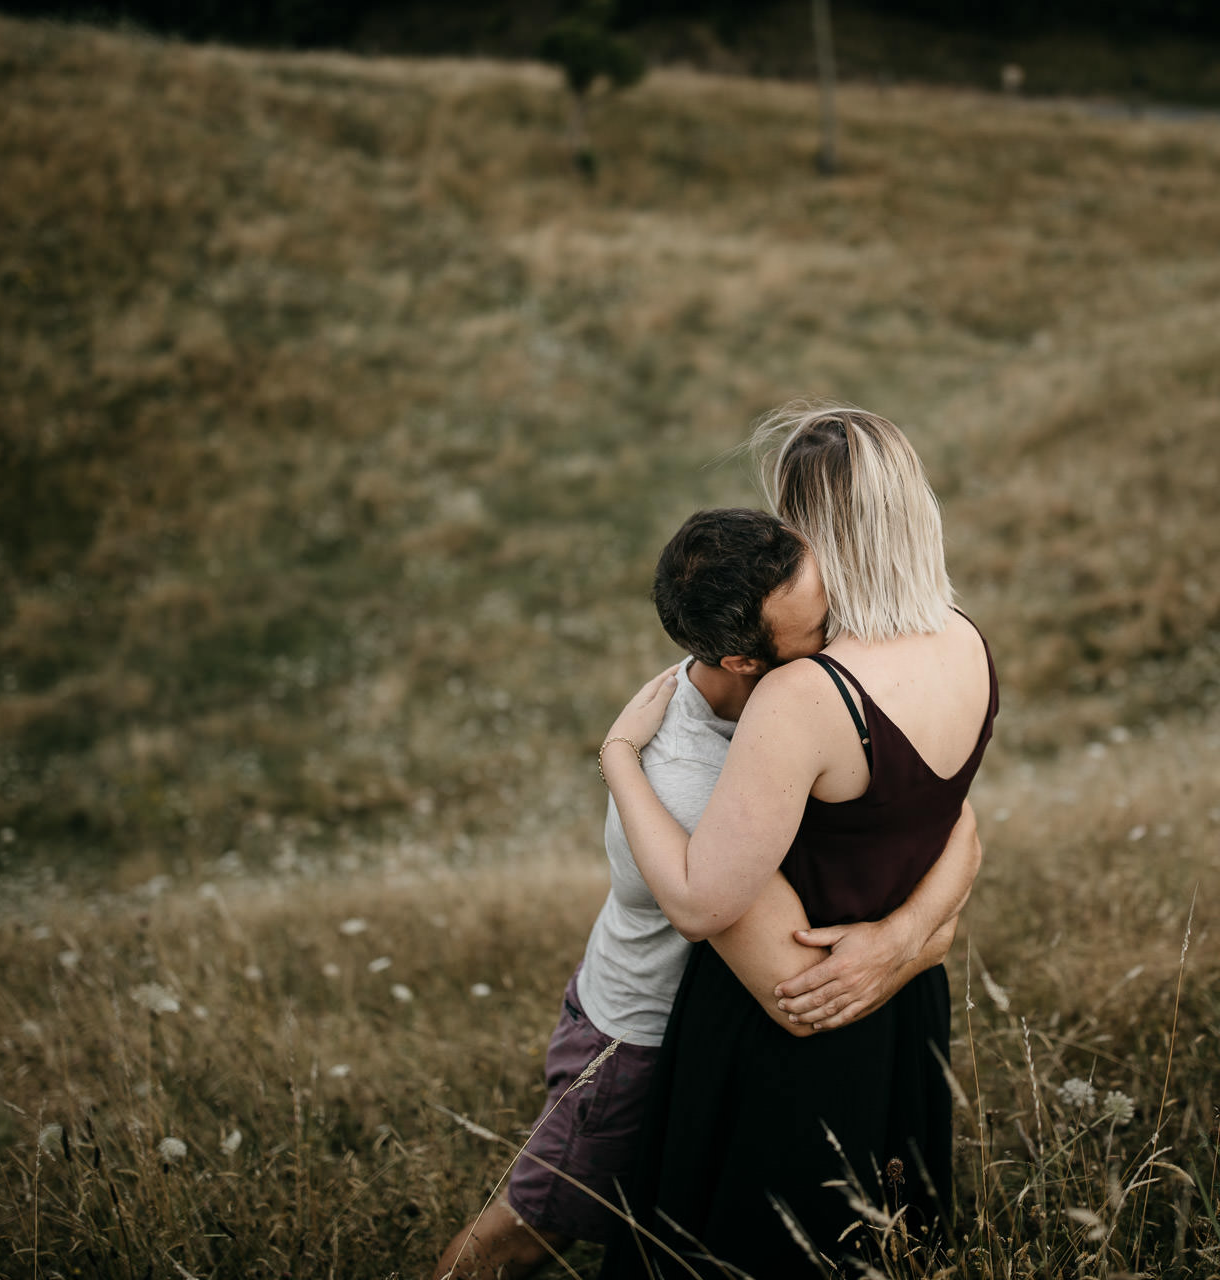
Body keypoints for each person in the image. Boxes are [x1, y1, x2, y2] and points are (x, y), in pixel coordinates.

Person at [427, 507, 981, 1280]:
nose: (844, 634)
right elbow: (795, 987)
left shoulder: (787, 705)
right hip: (636, 1042)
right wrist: (922, 943)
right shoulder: (692, 782)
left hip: (704, 1032)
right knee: (531, 1231)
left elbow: (956, 819)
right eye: (819, 628)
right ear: (743, 660)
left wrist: (905, 932)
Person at [598, 404, 998, 1277]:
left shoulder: (805, 693)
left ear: (808, 532)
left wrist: (618, 758)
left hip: (791, 1029)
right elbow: (959, 822)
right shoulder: (966, 638)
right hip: (907, 1017)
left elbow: (707, 903)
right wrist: (906, 943)